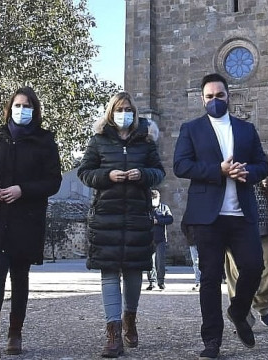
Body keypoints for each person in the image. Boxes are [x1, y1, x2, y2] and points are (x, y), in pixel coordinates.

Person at [173, 73, 268, 359]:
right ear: (203, 99)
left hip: (241, 214)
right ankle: (212, 340)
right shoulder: (191, 129)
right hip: (207, 216)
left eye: (220, 95)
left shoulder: (246, 129)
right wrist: (219, 170)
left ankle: (238, 311)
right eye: (209, 96)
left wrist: (247, 172)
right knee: (210, 279)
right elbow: (180, 166)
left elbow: (263, 164)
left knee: (254, 267)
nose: (215, 100)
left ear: (229, 95)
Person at [0, 87, 63, 358]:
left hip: (27, 218)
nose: (21, 110)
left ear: (35, 110)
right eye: (17, 105)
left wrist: (22, 189)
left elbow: (53, 181)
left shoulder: (45, 140)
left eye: (26, 106)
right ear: (9, 108)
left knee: (20, 276)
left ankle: (15, 333)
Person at [77, 91, 165, 358]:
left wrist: (143, 175)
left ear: (134, 112)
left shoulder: (146, 142)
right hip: (107, 215)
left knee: (135, 272)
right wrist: (107, 175)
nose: (123, 113)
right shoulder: (99, 140)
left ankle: (130, 318)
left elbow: (159, 172)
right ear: (110, 112)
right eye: (119, 108)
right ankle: (113, 333)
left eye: (127, 109)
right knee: (109, 273)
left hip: (137, 215)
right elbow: (84, 172)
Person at [224, 153, 268, 329]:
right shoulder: (226, 160)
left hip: (265, 229)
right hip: (237, 230)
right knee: (237, 275)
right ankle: (243, 318)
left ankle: (263, 306)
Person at [146, 189, 174, 290]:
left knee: (160, 261)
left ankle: (161, 281)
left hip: (160, 238)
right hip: (149, 238)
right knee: (150, 262)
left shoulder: (164, 207)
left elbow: (170, 219)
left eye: (155, 198)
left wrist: (159, 221)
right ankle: (152, 282)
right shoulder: (147, 208)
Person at [181, 220, 201, 291]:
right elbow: (183, 225)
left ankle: (203, 281)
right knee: (196, 262)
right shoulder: (190, 212)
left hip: (203, 240)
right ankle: (198, 281)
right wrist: (189, 235)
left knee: (204, 261)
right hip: (193, 240)